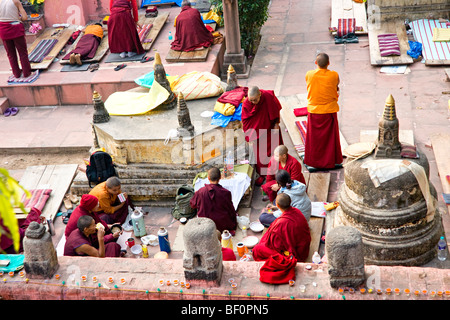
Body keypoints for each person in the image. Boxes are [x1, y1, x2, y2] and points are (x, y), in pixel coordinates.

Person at [304, 52, 343, 170]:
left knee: (314, 139)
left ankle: (313, 161)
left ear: (316, 63)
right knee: (330, 138)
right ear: (329, 63)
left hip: (314, 111)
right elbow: (337, 86)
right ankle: (332, 161)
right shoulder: (334, 75)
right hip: (329, 111)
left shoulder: (309, 74)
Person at [241, 86, 284, 185]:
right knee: (261, 157)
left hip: (270, 129)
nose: (253, 102)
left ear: (260, 94)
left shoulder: (268, 96)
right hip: (258, 135)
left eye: (255, 100)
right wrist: (249, 135)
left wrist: (277, 123)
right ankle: (263, 175)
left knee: (276, 153)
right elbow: (245, 120)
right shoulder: (246, 103)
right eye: (251, 100)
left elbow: (276, 109)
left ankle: (278, 174)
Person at [253, 193, 311, 262]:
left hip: (294, 254)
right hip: (304, 249)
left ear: (277, 205)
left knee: (257, 249)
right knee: (267, 236)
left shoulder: (281, 223)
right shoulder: (296, 211)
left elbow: (277, 247)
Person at [190, 167, 237, 234]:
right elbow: (231, 209)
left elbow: (192, 205)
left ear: (208, 178)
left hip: (206, 225)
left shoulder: (200, 192)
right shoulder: (226, 193)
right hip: (222, 225)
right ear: (220, 177)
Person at [0, 0, 36, 80]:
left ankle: (16, 74)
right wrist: (18, 17)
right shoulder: (16, 1)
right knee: (22, 53)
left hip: (3, 30)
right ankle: (27, 73)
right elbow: (25, 17)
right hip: (16, 29)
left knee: (10, 54)